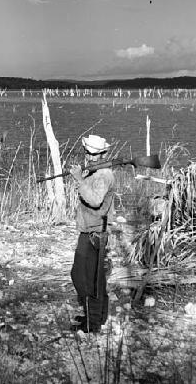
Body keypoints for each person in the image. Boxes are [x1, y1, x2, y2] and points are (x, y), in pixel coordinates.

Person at [69, 134, 115, 334]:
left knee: (84, 278)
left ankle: (92, 323)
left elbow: (95, 200)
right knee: (95, 278)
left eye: (95, 154)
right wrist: (84, 177)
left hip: (95, 233)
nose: (90, 157)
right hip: (90, 230)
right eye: (88, 152)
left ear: (104, 153)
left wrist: (80, 180)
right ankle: (97, 317)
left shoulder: (104, 175)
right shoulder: (96, 171)